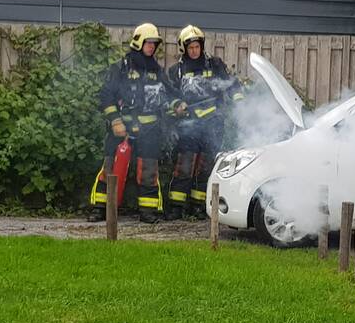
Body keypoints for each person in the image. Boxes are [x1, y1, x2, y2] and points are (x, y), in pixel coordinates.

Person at [87, 23, 184, 223]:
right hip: (122, 128)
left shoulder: (157, 71)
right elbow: (106, 96)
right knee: (110, 168)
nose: (151, 47)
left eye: (154, 44)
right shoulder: (121, 67)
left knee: (149, 171)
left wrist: (177, 105)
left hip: (150, 131)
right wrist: (115, 120)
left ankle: (147, 212)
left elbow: (168, 95)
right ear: (138, 43)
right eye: (148, 43)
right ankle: (100, 208)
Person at [166, 24, 246, 219]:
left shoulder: (214, 64)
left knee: (207, 166)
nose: (194, 51)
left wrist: (241, 103)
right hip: (189, 125)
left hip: (213, 123)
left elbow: (231, 85)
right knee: (185, 165)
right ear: (184, 48)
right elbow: (168, 96)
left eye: (197, 46)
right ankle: (177, 207)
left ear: (202, 46)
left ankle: (198, 206)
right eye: (190, 47)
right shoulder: (176, 71)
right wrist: (177, 105)